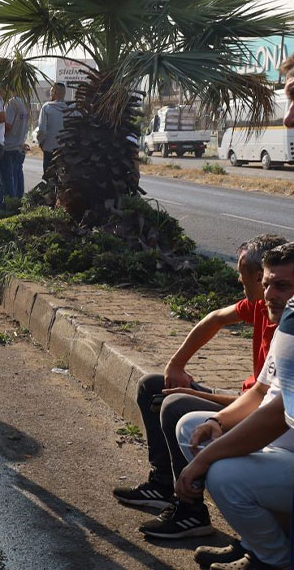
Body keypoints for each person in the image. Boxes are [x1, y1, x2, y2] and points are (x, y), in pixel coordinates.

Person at [112, 234, 290, 540]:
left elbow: (271, 407)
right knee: (153, 386)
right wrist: (176, 365)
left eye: (243, 273)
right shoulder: (262, 306)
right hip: (253, 405)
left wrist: (196, 396)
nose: (239, 279)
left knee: (175, 406)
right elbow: (214, 319)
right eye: (267, 285)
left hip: (267, 421)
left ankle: (190, 510)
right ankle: (162, 485)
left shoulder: (286, 324)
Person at [173, 243, 294, 569]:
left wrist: (206, 460)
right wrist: (217, 421)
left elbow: (276, 417)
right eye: (267, 284)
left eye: (282, 286)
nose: (269, 294)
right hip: (276, 449)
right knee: (190, 427)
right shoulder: (288, 326)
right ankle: (253, 541)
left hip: (287, 452)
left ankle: (274, 559)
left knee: (225, 475)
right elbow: (259, 394)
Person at [0, 95, 31, 201]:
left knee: (6, 182)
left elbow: (8, 126)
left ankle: (9, 207)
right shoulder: (23, 101)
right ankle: (17, 204)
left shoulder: (11, 103)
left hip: (8, 147)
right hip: (18, 146)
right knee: (16, 178)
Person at [35, 83, 69, 181]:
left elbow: (41, 129)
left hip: (50, 149)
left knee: (49, 179)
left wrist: (41, 143)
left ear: (54, 92)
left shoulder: (47, 107)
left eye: (51, 91)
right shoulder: (70, 109)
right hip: (65, 151)